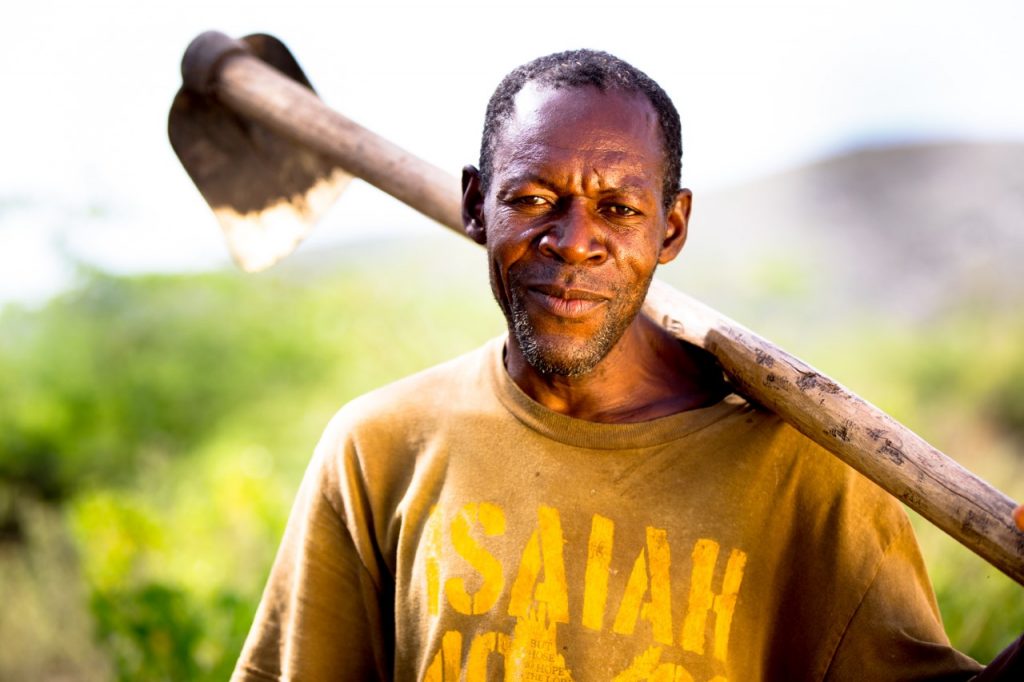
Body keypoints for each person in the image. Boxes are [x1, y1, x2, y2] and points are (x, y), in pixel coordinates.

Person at [231, 50, 1023, 681]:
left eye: (619, 208)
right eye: (535, 198)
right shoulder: (380, 447)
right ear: (476, 203)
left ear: (671, 228)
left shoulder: (806, 475)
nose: (575, 240)